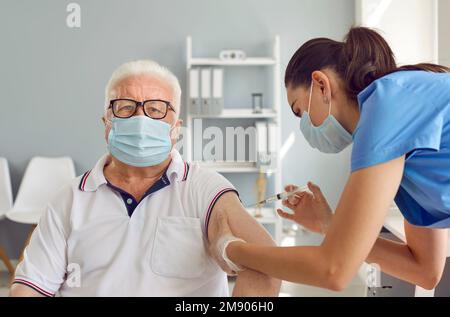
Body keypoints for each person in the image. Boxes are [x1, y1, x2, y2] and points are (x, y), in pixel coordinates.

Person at [10, 60, 280, 297]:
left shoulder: (205, 189)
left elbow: (267, 266)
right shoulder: (69, 200)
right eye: (125, 107)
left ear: (176, 128)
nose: (140, 118)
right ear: (106, 122)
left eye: (156, 109)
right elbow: (30, 287)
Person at [211, 27, 450, 291]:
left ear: (321, 84)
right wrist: (329, 224)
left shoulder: (387, 107)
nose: (305, 124)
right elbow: (425, 270)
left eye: (300, 110)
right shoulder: (401, 152)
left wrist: (231, 250)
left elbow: (333, 270)